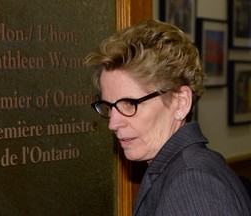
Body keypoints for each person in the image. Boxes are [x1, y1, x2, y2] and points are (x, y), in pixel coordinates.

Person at [85, 20, 251, 215]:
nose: (113, 123)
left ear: (180, 103)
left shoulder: (193, 184)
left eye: (130, 104)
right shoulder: (178, 168)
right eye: (109, 106)